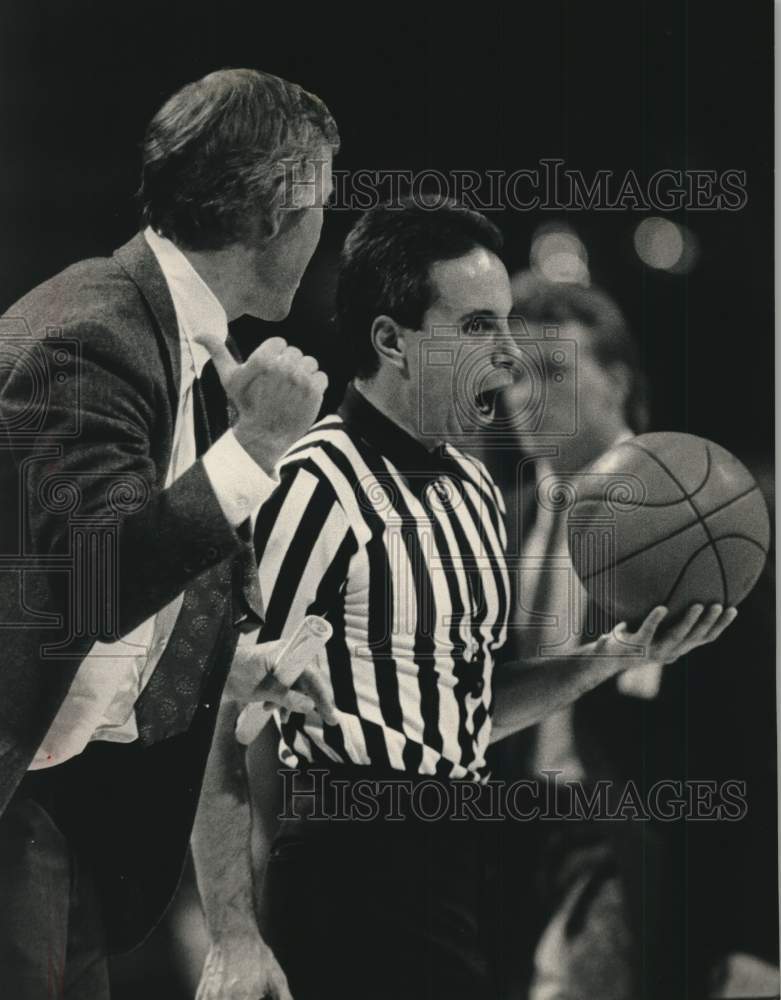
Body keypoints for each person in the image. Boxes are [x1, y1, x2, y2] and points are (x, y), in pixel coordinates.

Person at [192, 200, 736, 1000]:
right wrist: (235, 934)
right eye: (479, 326)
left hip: (461, 866)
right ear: (392, 341)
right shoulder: (312, 483)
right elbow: (217, 720)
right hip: (349, 866)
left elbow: (466, 713)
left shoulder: (475, 488)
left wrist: (604, 659)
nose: (509, 357)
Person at [0, 67, 338, 999]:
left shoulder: (179, 338)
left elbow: (106, 584)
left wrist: (229, 665)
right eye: (321, 205)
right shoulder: (93, 331)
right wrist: (257, 448)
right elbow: (98, 582)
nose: (326, 230)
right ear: (274, 214)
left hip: (61, 804)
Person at [487, 272, 777, 1000]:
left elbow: (759, 731)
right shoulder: (497, 520)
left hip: (644, 851)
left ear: (615, 381)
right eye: (513, 374)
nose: (525, 394)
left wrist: (760, 936)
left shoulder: (701, 508)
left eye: (552, 371)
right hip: (512, 847)